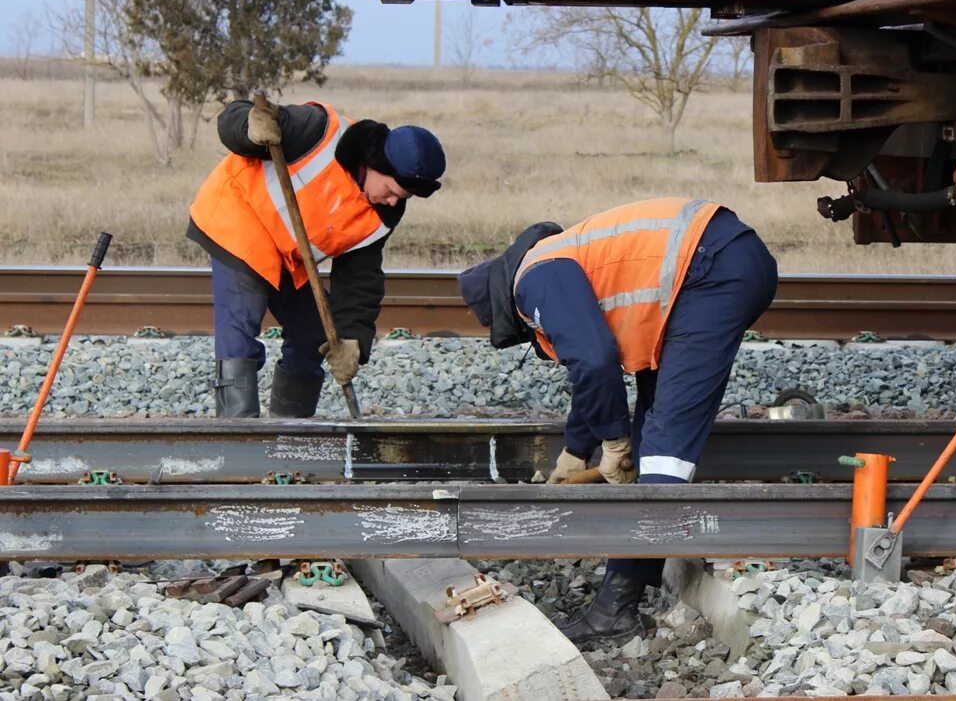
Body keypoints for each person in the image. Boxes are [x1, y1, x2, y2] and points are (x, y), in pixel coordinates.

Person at [457, 197, 777, 643]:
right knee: (654, 432)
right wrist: (574, 450)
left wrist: (613, 444)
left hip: (710, 270)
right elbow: (593, 368)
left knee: (664, 449)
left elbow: (592, 360)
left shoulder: (532, 281)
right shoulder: (554, 261)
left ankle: (615, 611)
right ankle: (620, 599)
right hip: (714, 264)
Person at [188, 99, 445, 418]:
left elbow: (359, 279)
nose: (393, 200)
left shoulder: (383, 212)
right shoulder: (317, 130)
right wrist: (251, 127)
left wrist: (354, 342)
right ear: (375, 163)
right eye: (391, 189)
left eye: (401, 197)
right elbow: (234, 117)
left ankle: (291, 428)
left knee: (316, 333)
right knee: (241, 319)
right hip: (237, 217)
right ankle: (237, 432)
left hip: (287, 252)